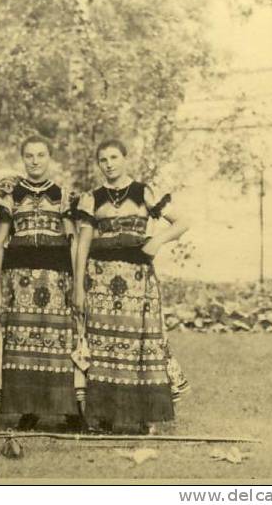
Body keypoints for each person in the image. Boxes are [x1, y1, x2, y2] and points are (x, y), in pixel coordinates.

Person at [73, 139, 189, 434]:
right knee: (104, 346)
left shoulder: (143, 192)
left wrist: (157, 240)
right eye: (103, 159)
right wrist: (78, 286)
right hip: (100, 282)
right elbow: (83, 243)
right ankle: (103, 415)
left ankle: (144, 416)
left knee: (139, 345)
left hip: (138, 283)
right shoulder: (92, 198)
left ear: (125, 158)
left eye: (114, 157)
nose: (109, 164)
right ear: (98, 164)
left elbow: (183, 221)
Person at [0, 135, 81, 431]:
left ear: (50, 158)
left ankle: (68, 410)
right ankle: (27, 409)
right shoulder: (10, 195)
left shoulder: (64, 195)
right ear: (23, 159)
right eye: (29, 155)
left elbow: (74, 241)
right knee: (23, 343)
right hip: (21, 281)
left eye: (41, 155)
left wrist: (77, 282)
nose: (35, 161)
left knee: (60, 343)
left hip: (56, 280)